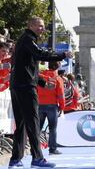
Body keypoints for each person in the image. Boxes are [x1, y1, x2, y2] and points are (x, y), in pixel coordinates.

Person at [8, 17, 72, 168]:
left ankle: (15, 159)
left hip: (18, 86)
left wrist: (42, 82)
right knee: (33, 123)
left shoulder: (24, 40)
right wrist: (63, 55)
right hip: (25, 88)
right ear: (30, 25)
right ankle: (37, 159)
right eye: (39, 26)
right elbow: (39, 55)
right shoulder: (28, 39)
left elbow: (27, 67)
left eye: (43, 26)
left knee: (22, 125)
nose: (42, 29)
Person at [37, 61, 65, 155]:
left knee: (38, 128)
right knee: (52, 129)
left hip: (40, 104)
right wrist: (62, 107)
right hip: (52, 106)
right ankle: (52, 149)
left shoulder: (41, 76)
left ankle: (35, 149)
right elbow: (61, 95)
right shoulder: (58, 78)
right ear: (57, 67)